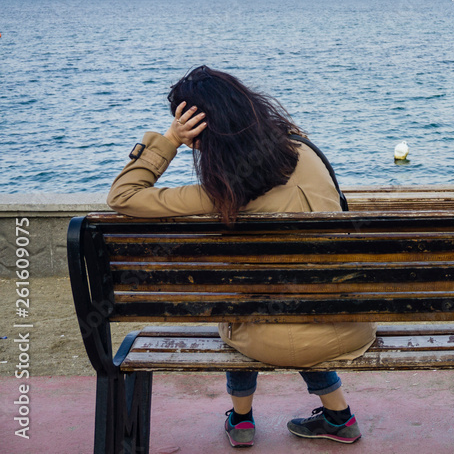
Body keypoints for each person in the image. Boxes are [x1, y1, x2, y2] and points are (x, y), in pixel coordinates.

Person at [107, 65, 376, 447]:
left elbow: (122, 196)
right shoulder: (305, 150)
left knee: (237, 314)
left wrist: (169, 139)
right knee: (291, 303)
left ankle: (243, 420)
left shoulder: (224, 193)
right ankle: (339, 416)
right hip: (350, 325)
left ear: (201, 132)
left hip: (275, 338)